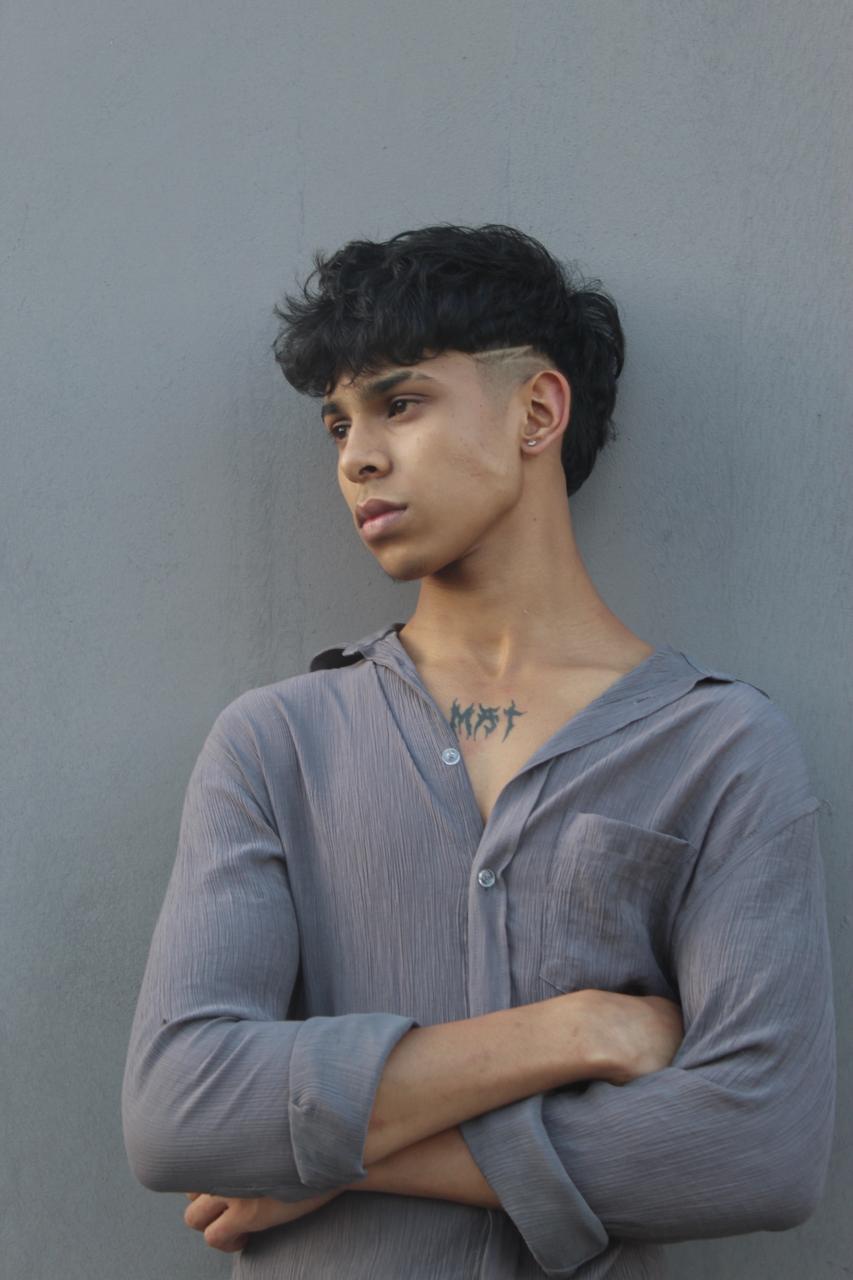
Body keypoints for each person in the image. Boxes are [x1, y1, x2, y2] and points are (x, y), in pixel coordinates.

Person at [121, 223, 835, 1278]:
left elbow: (759, 1150)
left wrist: (336, 1160)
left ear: (537, 411)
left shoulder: (718, 747)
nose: (356, 457)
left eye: (400, 403)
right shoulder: (276, 743)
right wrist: (575, 1030)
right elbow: (177, 1108)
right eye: (338, 423)